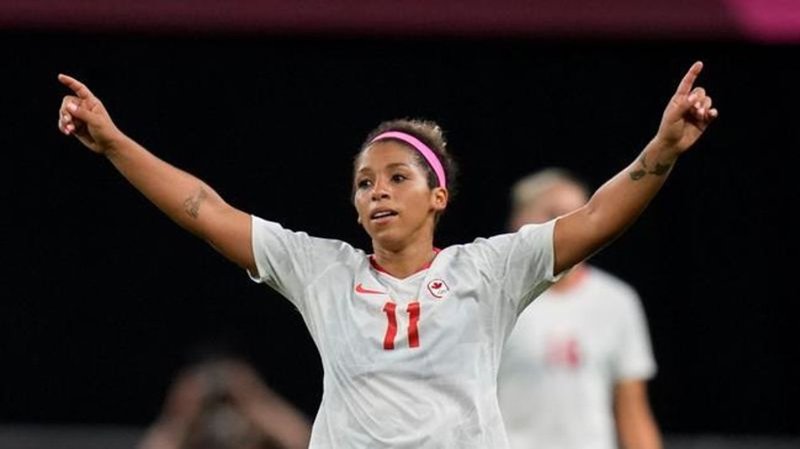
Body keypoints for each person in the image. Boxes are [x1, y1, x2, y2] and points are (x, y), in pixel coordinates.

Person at [56, 61, 717, 448]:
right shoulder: (322, 271)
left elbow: (597, 218)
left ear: (438, 196)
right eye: (365, 182)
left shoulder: (489, 270)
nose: (378, 191)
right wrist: (114, 142)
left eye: (398, 177)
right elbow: (204, 208)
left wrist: (662, 150)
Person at [497, 168, 662, 449]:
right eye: (552, 215)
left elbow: (632, 410)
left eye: (577, 216)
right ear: (518, 221)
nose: (566, 228)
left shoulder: (616, 301)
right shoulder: (496, 301)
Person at [138, 351, 312, 449]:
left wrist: (252, 398)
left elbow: (302, 442)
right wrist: (184, 411)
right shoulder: (190, 428)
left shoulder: (255, 418)